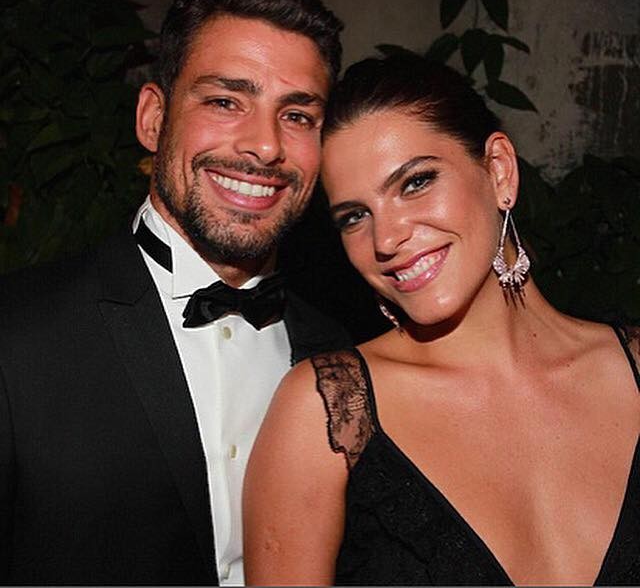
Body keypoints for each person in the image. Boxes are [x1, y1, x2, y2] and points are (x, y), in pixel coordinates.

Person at [0, 0, 350, 585]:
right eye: (225, 102)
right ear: (153, 119)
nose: (265, 147)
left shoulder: (344, 358)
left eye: (297, 116)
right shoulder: (17, 335)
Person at [243, 55, 640, 586]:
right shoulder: (324, 414)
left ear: (499, 170)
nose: (387, 239)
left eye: (415, 182)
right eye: (355, 216)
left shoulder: (633, 370)